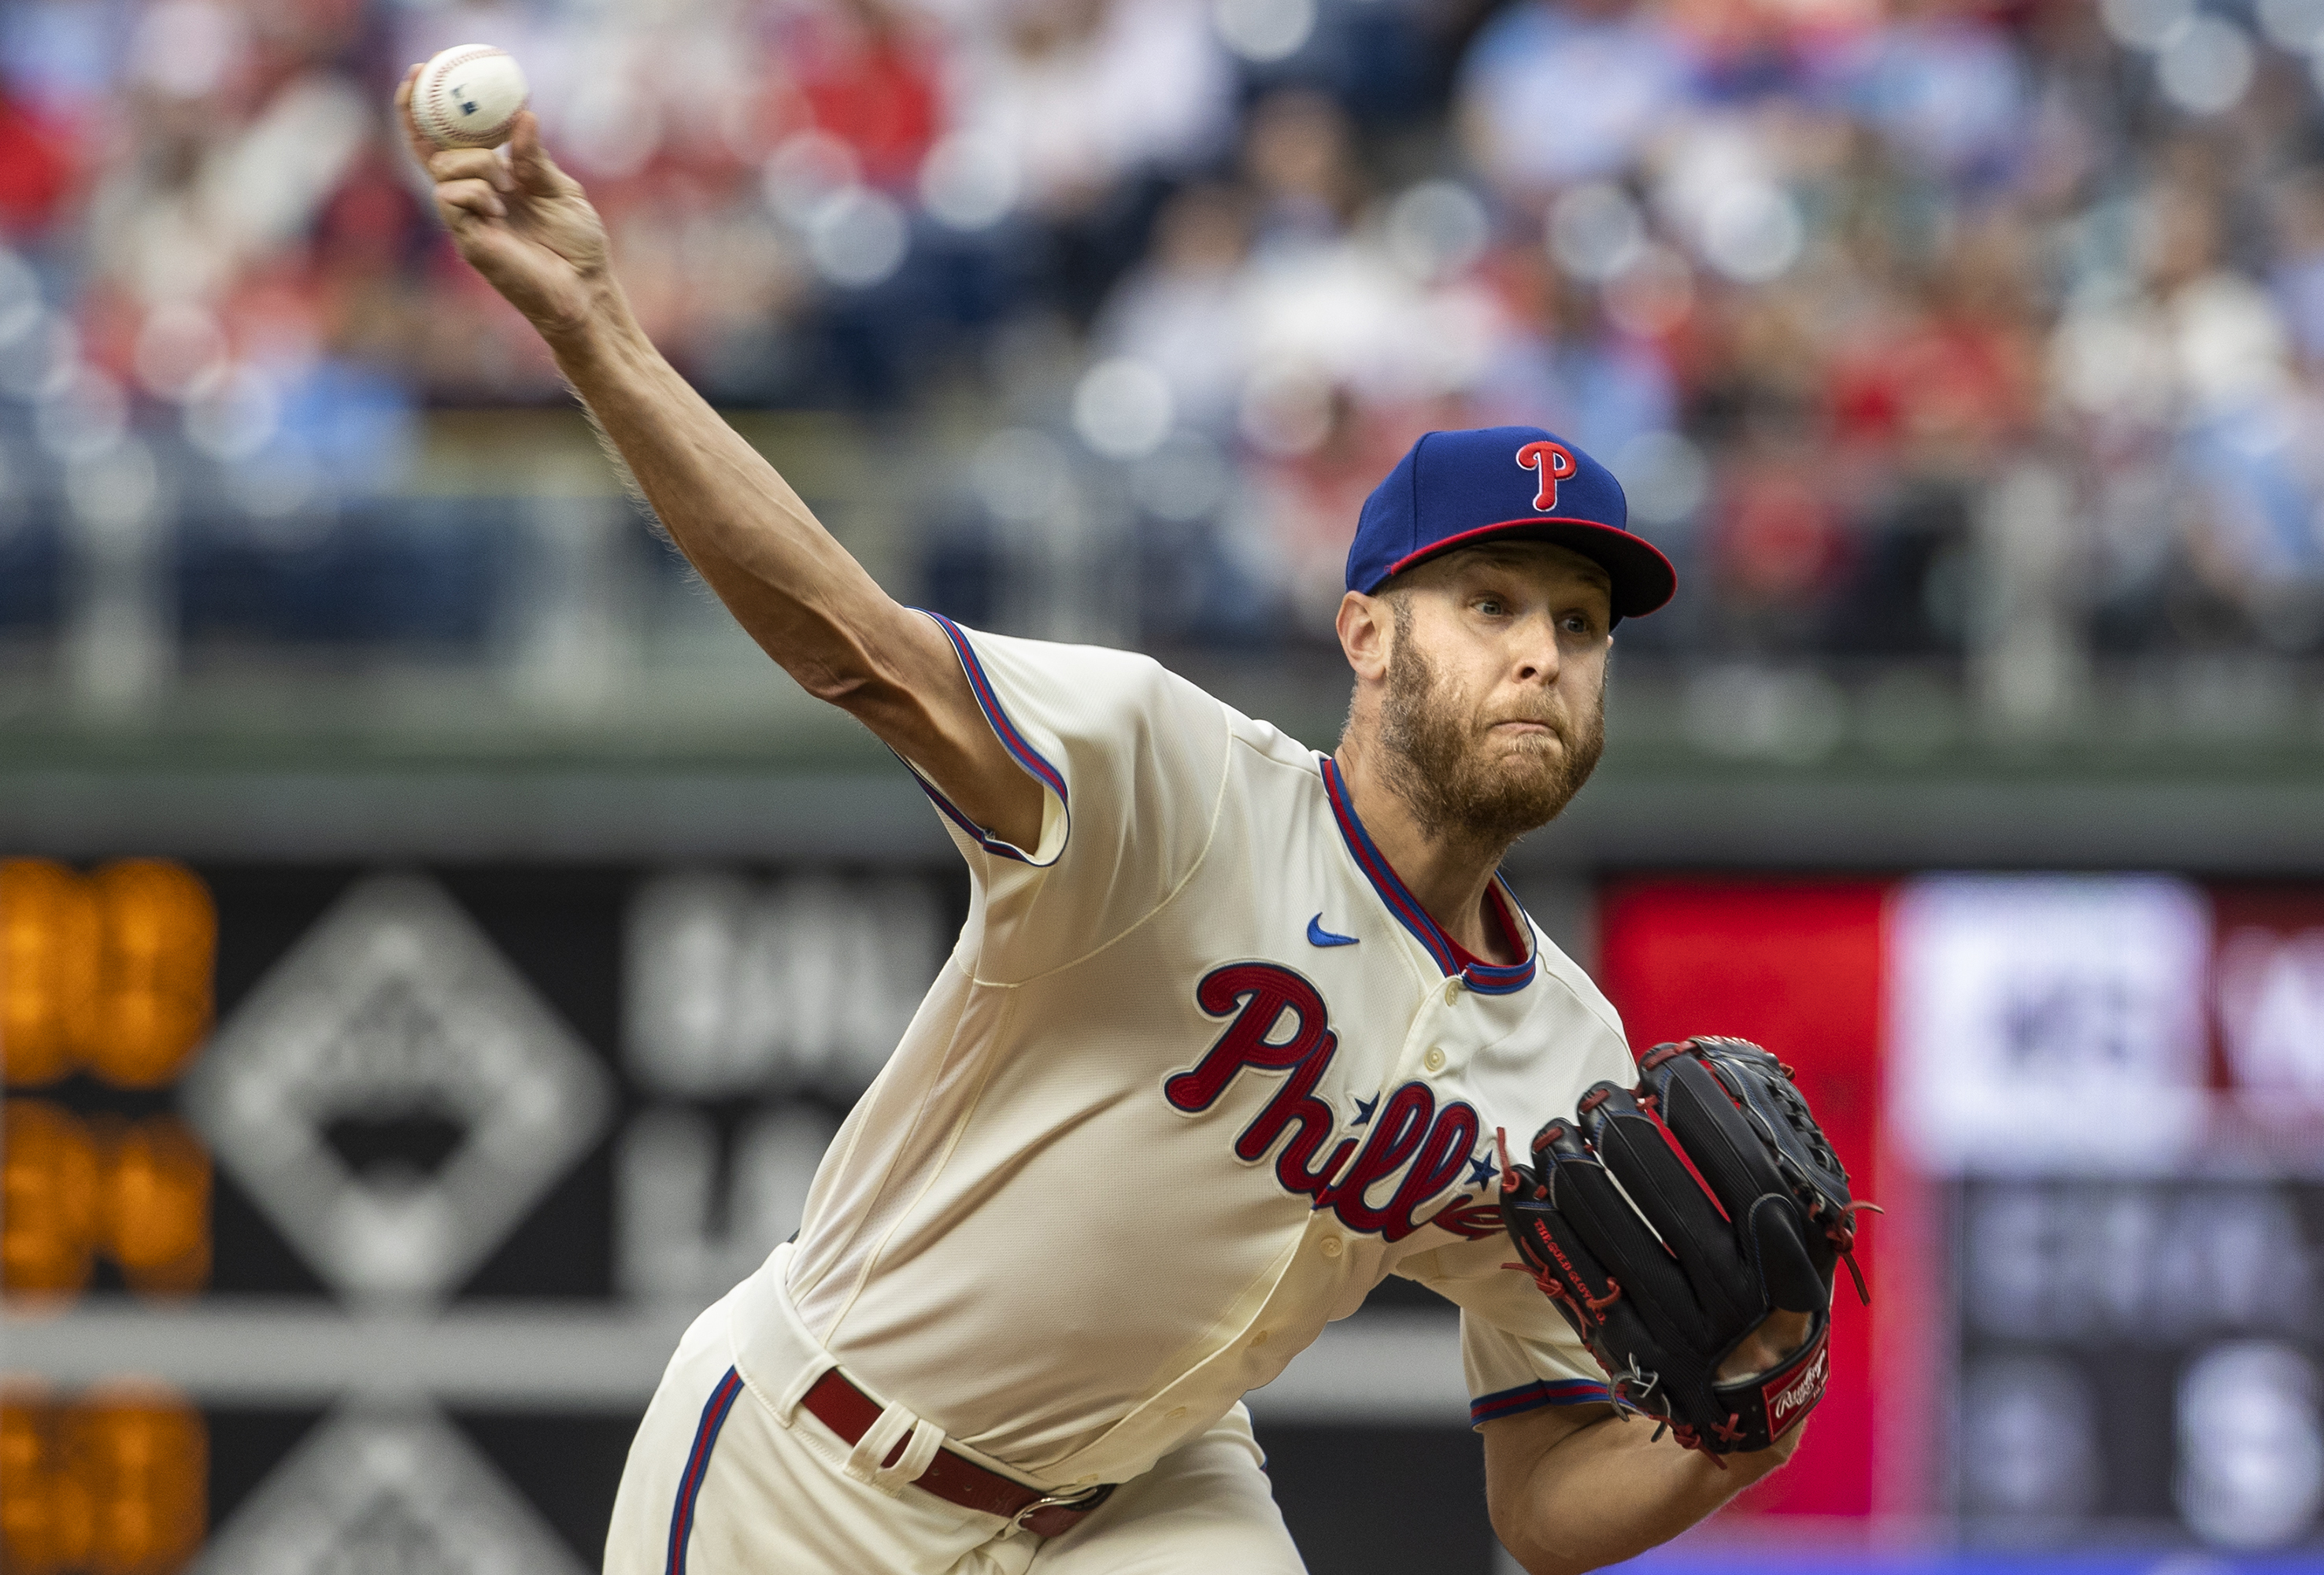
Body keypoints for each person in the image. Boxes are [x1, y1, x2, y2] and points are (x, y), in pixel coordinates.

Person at [398, 70, 1814, 1575]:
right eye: (1490, 603)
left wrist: (1738, 1434)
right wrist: (599, 333)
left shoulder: (1568, 1069)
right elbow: (853, 645)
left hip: (1143, 1500)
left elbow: (1541, 1506)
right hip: (814, 1460)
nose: (1543, 650)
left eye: (1583, 623)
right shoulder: (1171, 778)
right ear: (1367, 635)